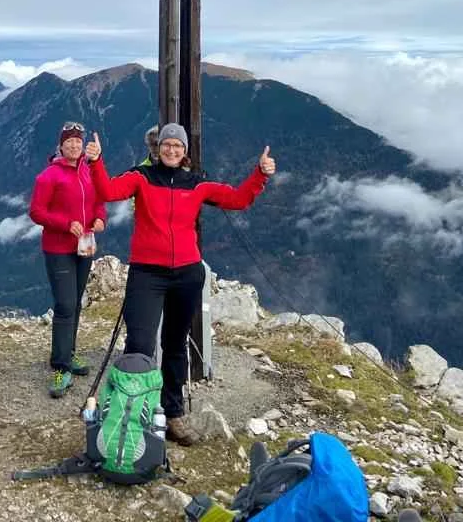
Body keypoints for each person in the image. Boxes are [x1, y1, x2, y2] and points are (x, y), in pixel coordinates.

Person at [85, 123, 277, 446]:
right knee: (140, 344)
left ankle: (173, 413)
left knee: (176, 345)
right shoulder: (141, 177)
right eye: (166, 145)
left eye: (177, 145)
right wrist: (96, 160)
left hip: (187, 274)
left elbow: (238, 199)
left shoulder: (197, 184)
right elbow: (107, 191)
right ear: (157, 148)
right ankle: (136, 413)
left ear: (185, 151)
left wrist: (260, 174)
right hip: (147, 274)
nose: (171, 150)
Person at [29, 122, 107, 399]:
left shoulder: (88, 169)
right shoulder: (49, 176)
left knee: (74, 302)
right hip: (58, 247)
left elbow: (99, 199)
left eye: (78, 141)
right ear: (60, 146)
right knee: (64, 305)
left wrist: (100, 218)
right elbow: (36, 212)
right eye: (69, 141)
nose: (74, 145)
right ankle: (61, 367)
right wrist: (65, 224)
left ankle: (66, 354)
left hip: (84, 246)